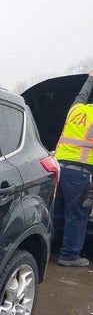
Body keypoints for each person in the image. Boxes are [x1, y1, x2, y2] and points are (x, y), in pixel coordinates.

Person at [53, 67, 93, 267]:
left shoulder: (76, 110)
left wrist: (91, 78)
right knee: (77, 215)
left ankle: (49, 246)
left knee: (56, 211)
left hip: (58, 170)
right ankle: (69, 255)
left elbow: (81, 95)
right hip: (80, 175)